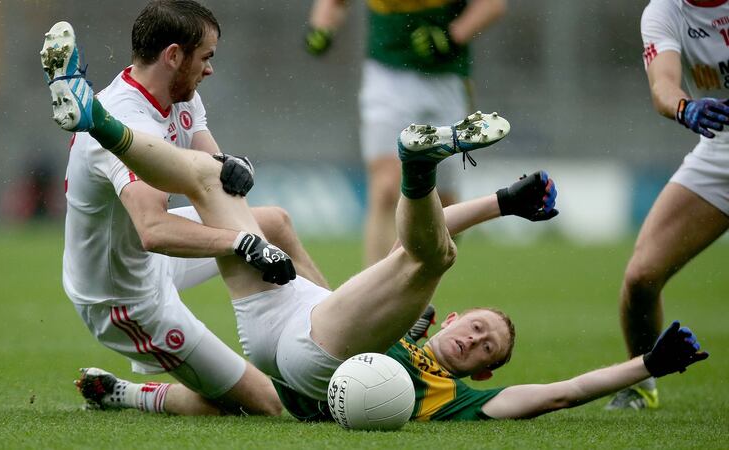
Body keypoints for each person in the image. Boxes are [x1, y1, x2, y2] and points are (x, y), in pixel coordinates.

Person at [42, 22, 709, 422]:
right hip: (289, 316)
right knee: (229, 190)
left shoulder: (451, 396)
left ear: (480, 374)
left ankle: (417, 171)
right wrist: (504, 203)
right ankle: (94, 116)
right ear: (452, 319)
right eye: (480, 328)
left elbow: (555, 393)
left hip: (312, 359)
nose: (476, 342)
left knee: (430, 258)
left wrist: (645, 364)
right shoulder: (412, 325)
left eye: (486, 352)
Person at [46, 1, 329, 418]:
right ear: (174, 55)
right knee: (265, 404)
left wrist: (234, 166)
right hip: (124, 296)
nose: (210, 69)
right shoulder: (129, 119)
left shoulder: (179, 96)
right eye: (206, 57)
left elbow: (214, 175)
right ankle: (126, 393)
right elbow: (154, 231)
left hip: (148, 260)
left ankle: (337, 328)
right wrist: (242, 242)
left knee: (276, 222)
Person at [305, 0, 507, 267]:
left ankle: (423, 276)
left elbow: (492, 5)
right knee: (386, 188)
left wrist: (452, 35)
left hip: (446, 80)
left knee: (443, 206)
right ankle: (376, 296)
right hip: (387, 77)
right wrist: (322, 28)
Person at [605, 0, 729, 411]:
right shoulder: (663, 11)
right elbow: (663, 85)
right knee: (641, 277)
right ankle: (639, 383)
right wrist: (685, 106)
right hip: (721, 151)